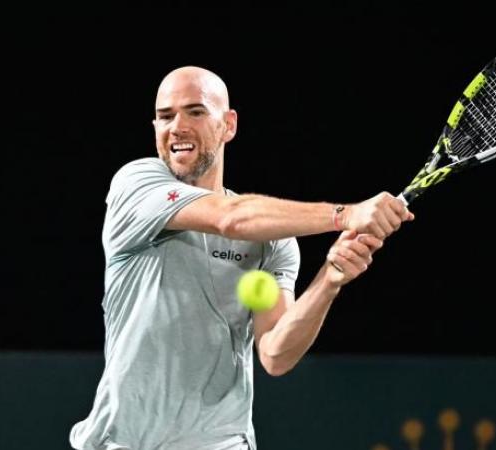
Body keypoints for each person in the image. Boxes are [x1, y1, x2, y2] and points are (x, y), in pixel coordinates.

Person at [69, 66, 414, 450]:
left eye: (195, 112)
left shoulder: (271, 238)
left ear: (228, 124)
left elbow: (276, 354)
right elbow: (230, 219)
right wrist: (344, 215)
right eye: (166, 116)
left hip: (221, 441)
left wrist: (329, 279)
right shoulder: (136, 185)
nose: (177, 127)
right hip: (124, 441)